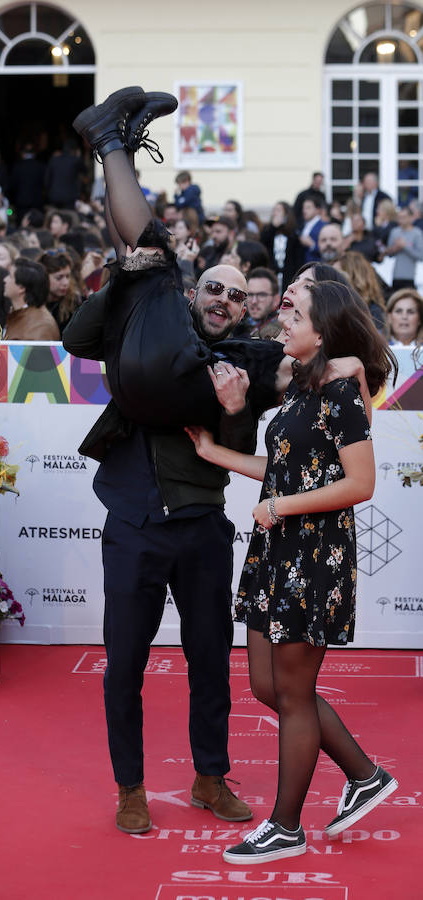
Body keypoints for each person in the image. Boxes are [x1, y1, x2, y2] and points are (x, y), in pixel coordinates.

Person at [64, 85, 269, 836]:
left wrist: (233, 404)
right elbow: (78, 342)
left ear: (245, 311)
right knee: (124, 666)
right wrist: (120, 276)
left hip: (202, 527)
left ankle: (210, 778)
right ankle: (130, 788)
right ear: (192, 291)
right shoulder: (151, 317)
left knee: (210, 662)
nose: (222, 300)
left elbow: (243, 449)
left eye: (236, 297)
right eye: (212, 288)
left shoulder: (238, 359)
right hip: (132, 523)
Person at [186, 277, 398, 864]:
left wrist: (279, 507)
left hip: (313, 555)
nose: (282, 322)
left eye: (295, 315)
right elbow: (283, 468)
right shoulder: (304, 386)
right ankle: (364, 774)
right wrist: (214, 453)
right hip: (277, 550)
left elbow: (361, 483)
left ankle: (285, 826)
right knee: (267, 685)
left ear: (322, 330)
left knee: (295, 692)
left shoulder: (341, 392)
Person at [3, 259, 60, 340]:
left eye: (10, 276)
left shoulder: (39, 327)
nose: (5, 280)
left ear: (21, 288)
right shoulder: (21, 314)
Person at [334, 250, 386, 333]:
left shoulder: (374, 312)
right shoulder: (332, 309)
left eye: (337, 275)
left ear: (354, 277)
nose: (331, 280)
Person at [259, 202, 302, 294]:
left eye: (278, 210)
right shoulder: (268, 230)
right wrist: (273, 227)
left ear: (286, 214)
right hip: (272, 274)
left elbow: (298, 258)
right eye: (274, 210)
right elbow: (262, 244)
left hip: (289, 275)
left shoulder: (294, 234)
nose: (275, 213)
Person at [233, 267, 281, 339]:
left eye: (261, 295)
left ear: (276, 300)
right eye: (250, 294)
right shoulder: (237, 324)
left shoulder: (283, 331)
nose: (254, 301)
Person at [40, 250, 81, 334]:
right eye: (59, 278)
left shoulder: (76, 304)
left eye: (67, 276)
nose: (66, 283)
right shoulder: (33, 303)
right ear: (44, 277)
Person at [385, 206, 423, 290]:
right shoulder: (394, 232)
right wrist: (395, 248)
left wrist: (404, 246)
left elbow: (420, 256)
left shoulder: (417, 233)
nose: (401, 220)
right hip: (395, 275)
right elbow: (389, 254)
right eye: (399, 217)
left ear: (411, 217)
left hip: (411, 277)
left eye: (403, 217)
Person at [298, 198, 324, 264]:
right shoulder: (302, 225)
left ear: (317, 210)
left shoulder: (323, 226)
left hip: (317, 266)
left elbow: (328, 249)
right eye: (303, 208)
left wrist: (312, 245)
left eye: (308, 208)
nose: (304, 211)